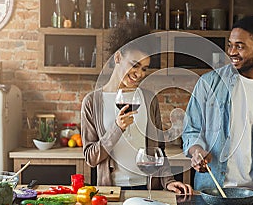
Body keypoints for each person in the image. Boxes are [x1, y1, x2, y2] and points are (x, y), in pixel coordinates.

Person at [182, 16, 253, 197]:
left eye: (240, 46)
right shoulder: (208, 84)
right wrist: (197, 152)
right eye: (230, 45)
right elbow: (191, 131)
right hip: (210, 192)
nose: (232, 52)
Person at [81, 20, 192, 195]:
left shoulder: (148, 99)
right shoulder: (92, 102)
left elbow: (159, 152)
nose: (139, 74)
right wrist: (117, 128)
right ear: (117, 57)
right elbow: (91, 158)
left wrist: (169, 181)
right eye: (134, 65)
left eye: (144, 68)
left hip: (148, 189)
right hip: (111, 192)